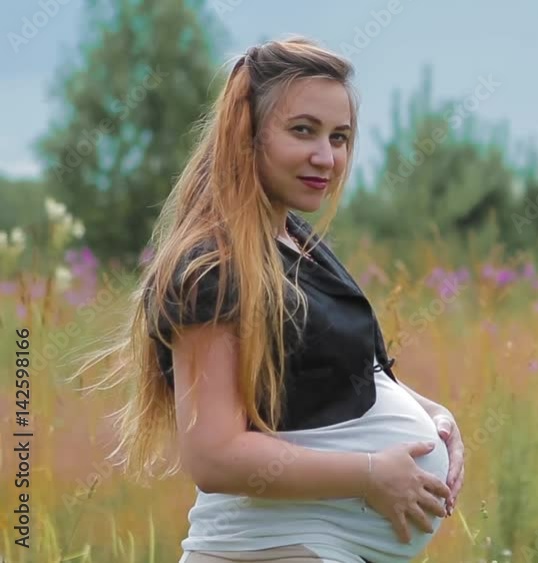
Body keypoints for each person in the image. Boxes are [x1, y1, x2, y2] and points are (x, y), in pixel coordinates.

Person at [74, 37, 466, 563]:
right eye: (302, 130)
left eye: (339, 137)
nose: (326, 157)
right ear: (247, 135)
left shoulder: (295, 242)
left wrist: (432, 415)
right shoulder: (212, 270)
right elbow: (214, 456)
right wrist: (371, 473)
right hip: (268, 547)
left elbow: (328, 373)